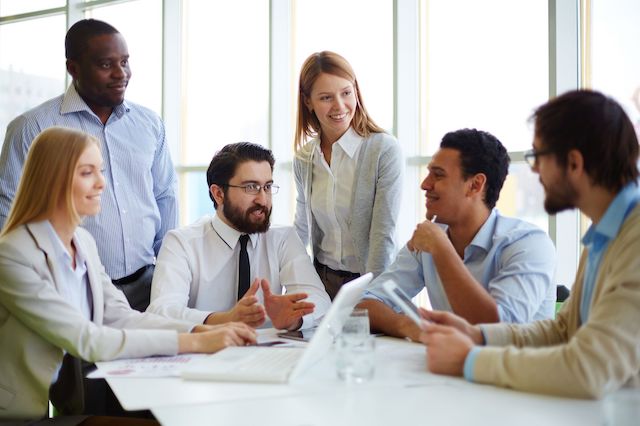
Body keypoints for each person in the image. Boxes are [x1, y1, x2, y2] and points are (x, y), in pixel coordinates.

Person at [0, 127, 256, 423]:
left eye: (101, 171)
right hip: (16, 415)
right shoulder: (12, 254)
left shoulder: (82, 242)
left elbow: (124, 317)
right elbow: (89, 340)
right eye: (87, 173)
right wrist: (198, 344)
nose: (102, 184)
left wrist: (200, 331)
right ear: (52, 180)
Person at [419, 90, 640, 399]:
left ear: (573, 163)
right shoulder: (604, 231)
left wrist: (470, 359)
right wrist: (478, 335)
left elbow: (590, 368)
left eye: (538, 156)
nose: (534, 171)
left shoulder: (634, 237)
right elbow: (563, 331)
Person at [0, 19, 177, 312]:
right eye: (106, 64)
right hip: (71, 287)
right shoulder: (32, 127)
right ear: (73, 68)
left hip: (148, 285)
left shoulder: (149, 124)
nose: (121, 74)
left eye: (124, 62)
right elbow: (9, 210)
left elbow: (164, 197)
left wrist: (168, 277)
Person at [358, 129, 556, 341]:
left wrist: (442, 249)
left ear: (475, 185)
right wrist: (406, 325)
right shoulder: (432, 237)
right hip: (451, 368)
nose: (425, 184)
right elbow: (365, 303)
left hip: (512, 371)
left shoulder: (528, 244)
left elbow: (499, 331)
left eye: (438, 175)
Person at [148, 142, 331, 331]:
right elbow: (162, 311)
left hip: (268, 355)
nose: (262, 200)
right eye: (251, 187)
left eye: (267, 187)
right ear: (218, 194)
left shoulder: (283, 238)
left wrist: (295, 319)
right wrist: (225, 319)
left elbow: (321, 303)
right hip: (205, 352)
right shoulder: (181, 243)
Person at [293, 51, 403, 299]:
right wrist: (295, 287)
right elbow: (301, 229)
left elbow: (382, 236)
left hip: (369, 283)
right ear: (308, 101)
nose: (340, 106)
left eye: (346, 93)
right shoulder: (304, 158)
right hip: (321, 283)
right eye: (326, 97)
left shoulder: (383, 149)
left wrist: (374, 299)